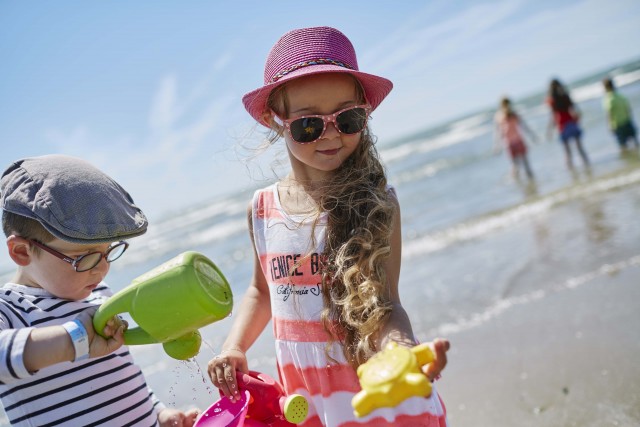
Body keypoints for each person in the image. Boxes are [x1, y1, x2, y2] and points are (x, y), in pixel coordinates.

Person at [206, 26, 450, 427]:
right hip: (308, 397)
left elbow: (387, 306)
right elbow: (262, 290)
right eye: (309, 125)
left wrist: (402, 348)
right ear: (274, 120)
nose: (331, 134)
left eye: (348, 118)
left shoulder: (378, 203)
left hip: (373, 390)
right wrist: (235, 346)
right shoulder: (263, 209)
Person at [0, 155, 199, 427]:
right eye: (85, 257)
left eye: (108, 252)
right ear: (22, 252)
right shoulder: (10, 309)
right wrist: (72, 340)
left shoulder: (98, 293)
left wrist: (159, 413)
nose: (102, 269)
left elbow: (121, 374)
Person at [546, 78, 590, 169]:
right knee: (580, 148)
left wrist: (550, 129)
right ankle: (587, 165)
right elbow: (575, 110)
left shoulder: (552, 100)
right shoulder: (565, 96)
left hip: (562, 125)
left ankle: (571, 170)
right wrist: (578, 118)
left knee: (567, 152)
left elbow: (553, 116)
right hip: (571, 122)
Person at [494, 96, 537, 179]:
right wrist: (497, 145)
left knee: (526, 163)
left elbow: (524, 126)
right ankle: (518, 183)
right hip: (508, 144)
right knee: (515, 165)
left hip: (518, 141)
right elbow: (498, 132)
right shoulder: (499, 117)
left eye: (507, 104)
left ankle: (532, 182)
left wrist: (532, 136)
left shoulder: (514, 114)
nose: (507, 106)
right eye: (505, 104)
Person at [602, 77, 639, 150]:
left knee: (623, 146)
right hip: (627, 121)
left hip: (618, 125)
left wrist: (610, 126)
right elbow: (628, 109)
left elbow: (609, 113)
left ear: (605, 87)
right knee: (636, 143)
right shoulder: (621, 96)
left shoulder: (609, 99)